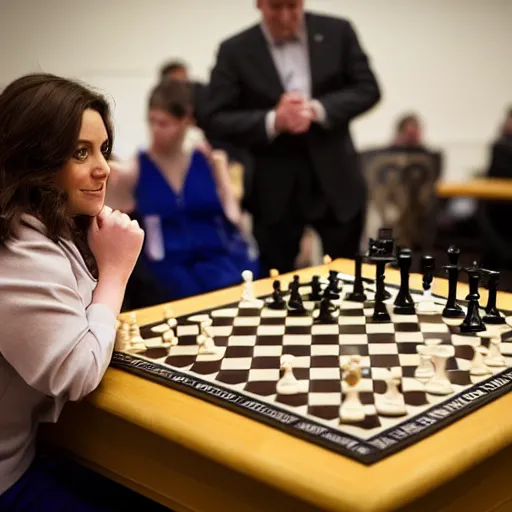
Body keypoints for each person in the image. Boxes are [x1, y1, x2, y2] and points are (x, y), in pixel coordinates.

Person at [0, 73, 168, 511]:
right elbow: (77, 371)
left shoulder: (42, 227)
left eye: (104, 149)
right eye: (81, 152)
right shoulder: (15, 249)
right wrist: (114, 272)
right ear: (33, 158)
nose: (104, 168)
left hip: (28, 453)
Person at [207, 0, 381, 274]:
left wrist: (318, 110)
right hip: (274, 189)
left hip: (337, 181)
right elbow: (214, 117)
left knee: (348, 276)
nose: (286, 17)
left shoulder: (338, 32)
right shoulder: (234, 50)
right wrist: (273, 120)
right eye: (276, 7)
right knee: (276, 280)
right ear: (259, 4)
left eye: (293, 6)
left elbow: (368, 89)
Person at [106, 79, 259, 302]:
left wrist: (221, 171)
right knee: (177, 292)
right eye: (152, 122)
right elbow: (113, 209)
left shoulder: (205, 159)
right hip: (166, 268)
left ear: (186, 121)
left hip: (218, 260)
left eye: (164, 123)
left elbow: (234, 216)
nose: (156, 131)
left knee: (236, 285)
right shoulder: (137, 167)